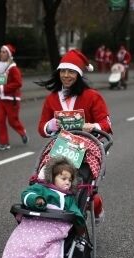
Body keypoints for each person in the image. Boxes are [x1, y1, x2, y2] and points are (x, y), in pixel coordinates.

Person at [36, 49, 112, 222]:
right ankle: (47, 207)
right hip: (60, 146)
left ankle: (95, 204)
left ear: (78, 74)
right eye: (63, 71)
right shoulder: (52, 98)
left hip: (87, 147)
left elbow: (107, 123)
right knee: (45, 177)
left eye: (71, 71)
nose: (66, 75)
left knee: (81, 185)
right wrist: (52, 125)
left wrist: (92, 126)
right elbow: (41, 128)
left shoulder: (92, 96)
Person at [0, 157, 85, 258]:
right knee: (17, 245)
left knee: (46, 250)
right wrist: (37, 200)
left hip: (53, 229)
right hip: (32, 225)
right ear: (52, 177)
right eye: (63, 178)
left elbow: (76, 213)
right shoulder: (42, 189)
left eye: (70, 180)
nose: (67, 182)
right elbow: (27, 194)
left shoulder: (67, 198)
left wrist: (80, 226)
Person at [0, 44, 27, 151]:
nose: (1, 53)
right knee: (0, 121)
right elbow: (2, 81)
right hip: (2, 99)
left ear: (9, 55)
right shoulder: (2, 67)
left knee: (12, 121)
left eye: (4, 52)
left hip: (12, 99)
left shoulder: (13, 69)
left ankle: (22, 132)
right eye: (1, 51)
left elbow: (18, 83)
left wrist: (4, 89)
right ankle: (4, 143)